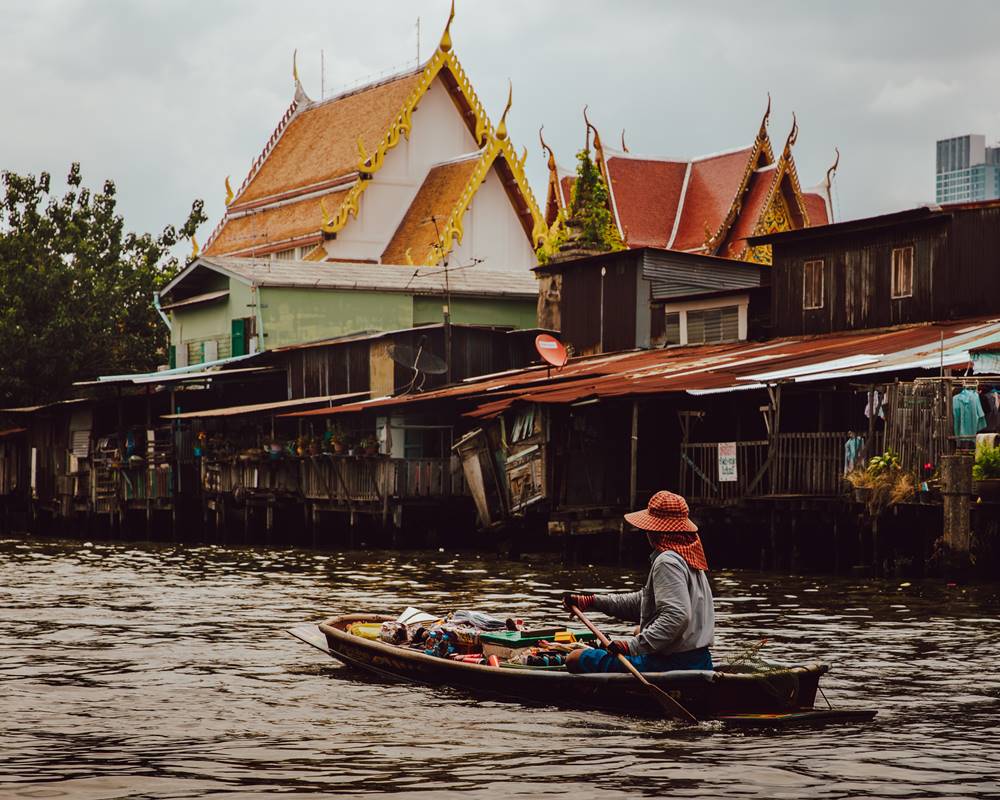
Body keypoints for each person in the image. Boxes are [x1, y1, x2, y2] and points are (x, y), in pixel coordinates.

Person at [563, 490, 714, 674]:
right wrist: (592, 601)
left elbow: (676, 617)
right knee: (638, 630)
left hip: (672, 664)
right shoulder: (689, 558)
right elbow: (644, 603)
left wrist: (631, 647)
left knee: (574, 658)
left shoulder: (667, 561)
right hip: (700, 660)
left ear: (654, 531)